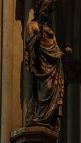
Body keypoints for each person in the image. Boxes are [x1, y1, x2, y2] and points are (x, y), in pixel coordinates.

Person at [22, 1, 70, 131]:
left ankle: (45, 120)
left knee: (51, 89)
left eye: (47, 8)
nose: (45, 10)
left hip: (52, 68)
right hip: (40, 67)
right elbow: (30, 44)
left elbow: (55, 51)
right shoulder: (32, 26)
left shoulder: (50, 31)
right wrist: (37, 39)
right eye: (43, 7)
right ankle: (38, 118)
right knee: (45, 89)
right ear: (38, 9)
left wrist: (63, 54)